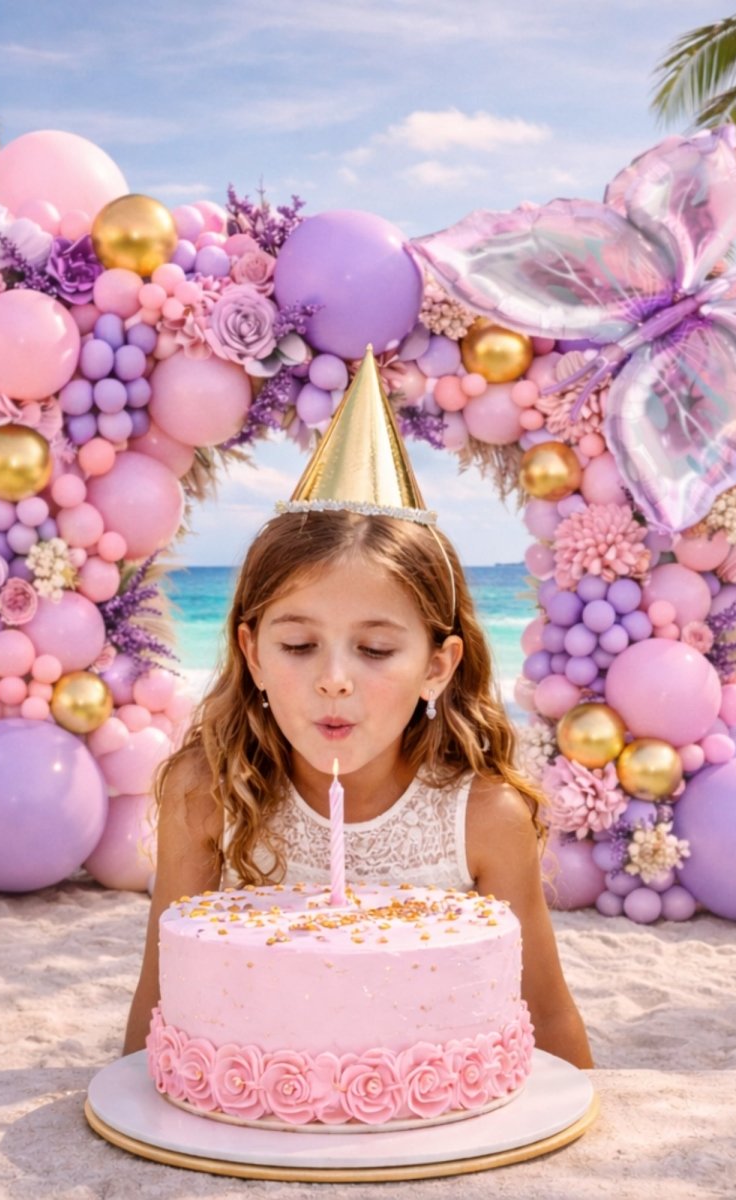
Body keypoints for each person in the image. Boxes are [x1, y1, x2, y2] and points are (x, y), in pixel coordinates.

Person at [123, 354, 592, 1069]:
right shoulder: (208, 794)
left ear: (438, 665)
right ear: (251, 653)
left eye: (375, 650)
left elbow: (546, 1008)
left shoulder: (485, 817)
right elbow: (162, 1000)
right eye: (300, 644)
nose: (334, 681)